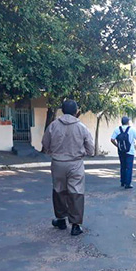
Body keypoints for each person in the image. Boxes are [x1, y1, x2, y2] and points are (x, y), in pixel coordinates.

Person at [41, 99, 95, 236]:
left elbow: (45, 143)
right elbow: (91, 149)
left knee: (59, 191)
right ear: (76, 111)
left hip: (58, 162)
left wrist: (52, 152)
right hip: (75, 163)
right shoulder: (81, 127)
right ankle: (76, 225)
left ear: (62, 110)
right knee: (76, 192)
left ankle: (61, 219)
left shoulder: (53, 125)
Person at [111, 116, 136, 189]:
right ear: (128, 122)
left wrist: (117, 146)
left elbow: (112, 139)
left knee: (122, 166)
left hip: (121, 151)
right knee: (129, 167)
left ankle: (122, 181)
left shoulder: (117, 129)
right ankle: (128, 184)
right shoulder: (132, 129)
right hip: (130, 151)